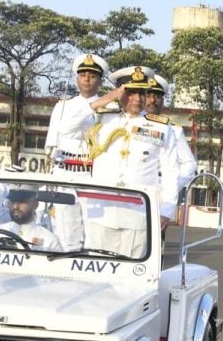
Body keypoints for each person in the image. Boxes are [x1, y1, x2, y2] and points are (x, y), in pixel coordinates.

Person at [88, 66, 181, 257]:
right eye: (130, 93)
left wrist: (167, 210)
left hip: (138, 215)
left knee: (131, 280)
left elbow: (171, 171)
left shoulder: (161, 128)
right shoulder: (101, 118)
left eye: (142, 93)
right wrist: (106, 99)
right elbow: (68, 125)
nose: (138, 99)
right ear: (120, 92)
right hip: (102, 212)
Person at [45, 53, 119, 174]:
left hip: (94, 168)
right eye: (82, 75)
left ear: (100, 82)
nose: (86, 79)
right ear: (77, 80)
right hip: (63, 165)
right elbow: (55, 137)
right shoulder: (62, 106)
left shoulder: (111, 107)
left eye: (92, 76)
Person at [0, 187, 63, 252]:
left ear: (35, 204)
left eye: (22, 201)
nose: (15, 206)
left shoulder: (50, 241)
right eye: (13, 201)